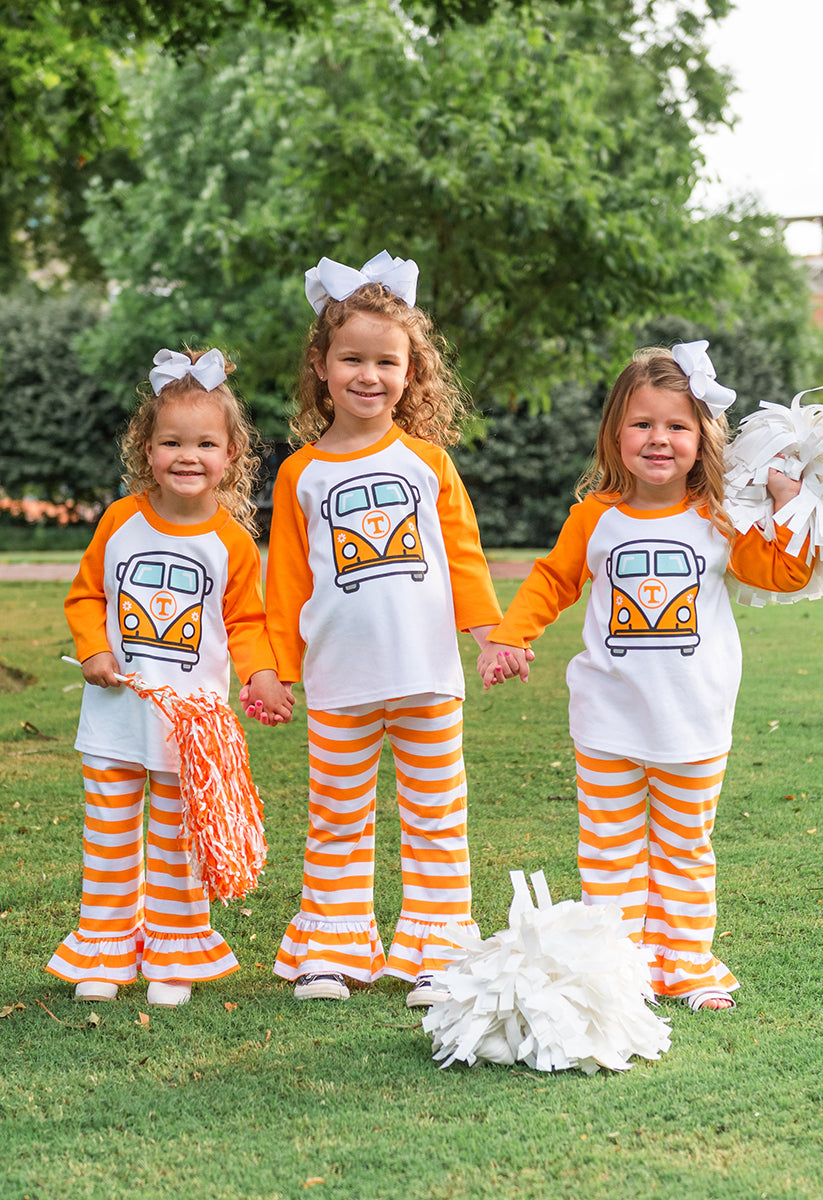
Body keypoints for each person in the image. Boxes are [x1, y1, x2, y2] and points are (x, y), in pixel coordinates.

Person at [477, 343, 814, 1011]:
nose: (659, 439)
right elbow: (551, 580)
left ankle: (687, 965)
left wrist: (790, 504)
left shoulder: (720, 518)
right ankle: (619, 968)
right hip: (607, 721)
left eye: (677, 426)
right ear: (614, 433)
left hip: (694, 722)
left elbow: (783, 572)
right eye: (642, 424)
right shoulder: (595, 517)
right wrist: (509, 636)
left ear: (701, 437)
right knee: (610, 854)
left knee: (685, 850)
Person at [261, 251, 504, 1008]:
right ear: (322, 367)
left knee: (437, 820)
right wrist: (274, 669)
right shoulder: (300, 473)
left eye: (387, 362)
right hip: (339, 679)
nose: (370, 376)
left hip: (428, 674)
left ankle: (439, 952)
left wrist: (492, 635)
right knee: (337, 818)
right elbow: (287, 584)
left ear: (412, 373)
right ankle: (332, 950)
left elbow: (464, 559)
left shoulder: (428, 462)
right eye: (353, 359)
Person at [47, 347, 293, 1008]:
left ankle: (174, 952)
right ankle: (104, 950)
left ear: (232, 452)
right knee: (109, 841)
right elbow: (85, 596)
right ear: (146, 449)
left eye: (205, 443)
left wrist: (263, 675)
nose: (188, 456)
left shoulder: (232, 543)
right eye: (172, 442)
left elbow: (246, 622)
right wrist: (94, 648)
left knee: (181, 845)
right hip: (115, 719)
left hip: (192, 727)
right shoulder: (120, 523)